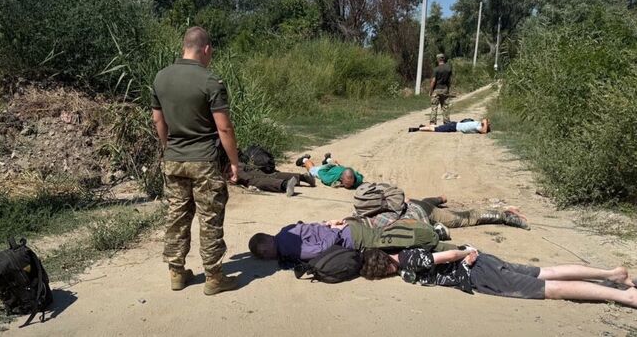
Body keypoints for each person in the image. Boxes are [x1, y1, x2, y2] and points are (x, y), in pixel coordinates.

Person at [152, 26, 238, 295]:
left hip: (174, 159)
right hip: (204, 161)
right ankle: (214, 277)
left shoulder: (161, 77)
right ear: (206, 49)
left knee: (176, 216)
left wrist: (168, 147)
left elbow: (158, 120)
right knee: (209, 218)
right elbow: (224, 127)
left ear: (184, 47)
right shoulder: (210, 81)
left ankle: (176, 273)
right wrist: (234, 162)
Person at [359, 247, 637, 308]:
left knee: (551, 288)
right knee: (547, 272)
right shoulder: (404, 252)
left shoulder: (408, 262)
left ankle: (623, 295)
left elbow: (446, 256)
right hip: (486, 263)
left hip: (479, 273)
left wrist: (465, 254)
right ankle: (612, 274)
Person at [248, 217, 453, 262]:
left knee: (399, 239)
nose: (267, 258)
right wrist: (330, 226)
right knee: (392, 236)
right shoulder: (285, 230)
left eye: (264, 255)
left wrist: (335, 232)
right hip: (351, 231)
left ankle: (449, 246)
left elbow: (319, 250)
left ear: (265, 250)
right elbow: (311, 227)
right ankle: (441, 240)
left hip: (351, 238)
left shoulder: (288, 248)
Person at [368, 195, 529, 234]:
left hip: (423, 212)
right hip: (415, 204)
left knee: (466, 218)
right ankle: (439, 198)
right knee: (427, 203)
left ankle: (504, 215)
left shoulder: (374, 223)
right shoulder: (370, 210)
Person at [235, 163, 316, 197]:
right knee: (268, 175)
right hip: (239, 162)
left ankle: (285, 185)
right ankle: (303, 177)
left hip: (231, 166)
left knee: (251, 181)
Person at [295, 153, 363, 189]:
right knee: (312, 169)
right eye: (347, 183)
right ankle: (304, 159)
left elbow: (360, 176)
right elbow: (321, 174)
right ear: (341, 179)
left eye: (351, 183)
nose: (350, 185)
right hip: (325, 169)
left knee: (336, 164)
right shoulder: (330, 179)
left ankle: (328, 159)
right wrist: (337, 184)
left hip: (338, 167)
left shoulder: (356, 179)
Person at [429, 53, 452, 125]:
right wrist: (448, 88)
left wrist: (431, 90)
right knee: (445, 106)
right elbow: (449, 80)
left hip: (436, 89)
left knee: (434, 106)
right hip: (445, 89)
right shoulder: (448, 68)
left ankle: (433, 122)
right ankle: (446, 122)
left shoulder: (436, 69)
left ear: (437, 59)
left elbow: (433, 81)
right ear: (443, 59)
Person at [408, 118, 490, 134]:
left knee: (438, 126)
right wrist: (486, 124)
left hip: (454, 124)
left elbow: (483, 128)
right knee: (435, 129)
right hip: (453, 127)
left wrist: (485, 123)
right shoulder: (477, 125)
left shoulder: (477, 123)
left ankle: (423, 126)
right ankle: (418, 128)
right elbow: (484, 131)